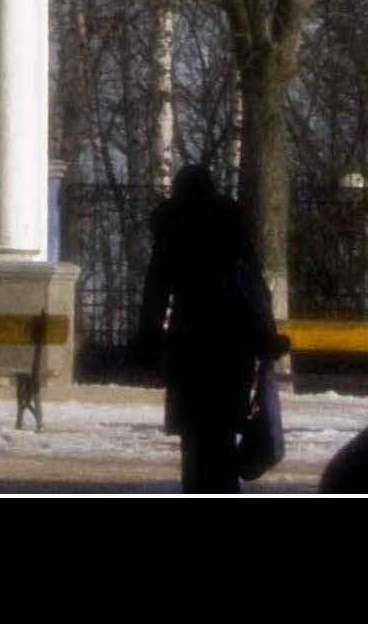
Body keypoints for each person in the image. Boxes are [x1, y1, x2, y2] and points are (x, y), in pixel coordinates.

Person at [135, 163, 279, 491]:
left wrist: (147, 343)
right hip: (232, 349)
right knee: (223, 436)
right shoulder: (231, 231)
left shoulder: (173, 233)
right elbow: (255, 290)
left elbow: (155, 293)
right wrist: (265, 339)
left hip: (189, 347)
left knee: (194, 441)